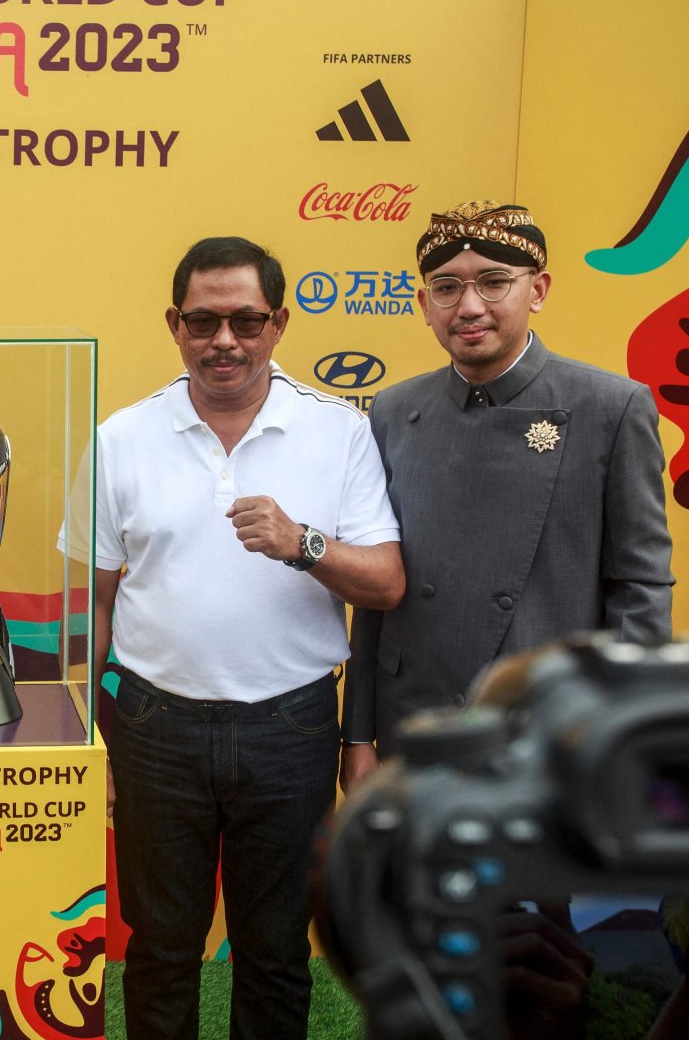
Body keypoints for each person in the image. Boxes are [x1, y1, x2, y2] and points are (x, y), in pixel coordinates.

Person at [68, 236, 404, 1039]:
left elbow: (387, 581)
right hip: (154, 728)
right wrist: (91, 739)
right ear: (174, 325)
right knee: (160, 949)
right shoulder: (122, 437)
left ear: (280, 323)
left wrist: (303, 543)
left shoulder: (338, 431)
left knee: (277, 950)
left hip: (289, 726)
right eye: (204, 320)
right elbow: (92, 604)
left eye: (246, 320)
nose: (225, 341)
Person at [342, 200, 674, 783]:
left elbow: (640, 589)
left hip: (549, 725)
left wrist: (621, 733)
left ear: (537, 289)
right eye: (446, 288)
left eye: (494, 283)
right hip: (412, 720)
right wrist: (359, 732)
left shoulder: (611, 407)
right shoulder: (394, 410)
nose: (470, 307)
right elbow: (375, 586)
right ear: (423, 305)